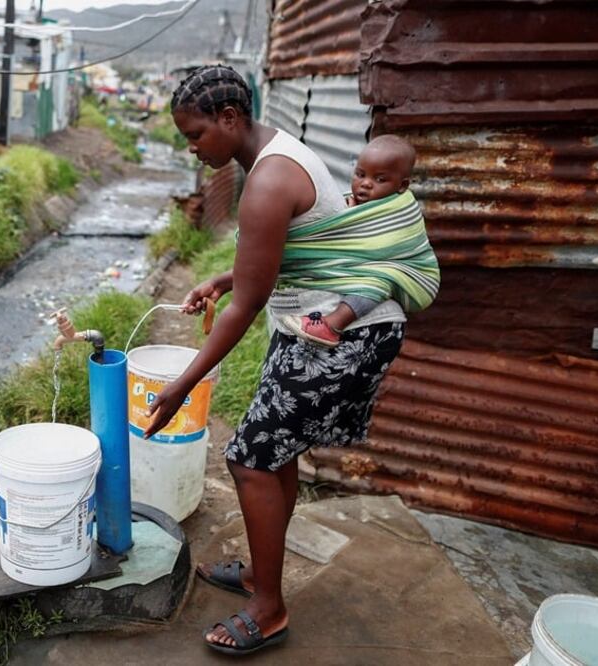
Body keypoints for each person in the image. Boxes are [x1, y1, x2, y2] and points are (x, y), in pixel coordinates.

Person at [143, 64, 408, 656]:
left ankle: (269, 610)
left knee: (251, 461)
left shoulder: (267, 180)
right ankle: (263, 578)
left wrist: (184, 384)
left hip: (343, 333)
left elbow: (249, 303)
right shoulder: (272, 158)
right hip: (315, 326)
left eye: (195, 135)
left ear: (230, 119)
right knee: (271, 452)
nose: (192, 149)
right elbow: (278, 254)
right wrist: (220, 277)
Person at [278, 135, 439, 347]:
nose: (365, 184)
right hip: (380, 267)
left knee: (376, 280)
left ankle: (332, 325)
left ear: (402, 185)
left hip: (413, 277)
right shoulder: (351, 203)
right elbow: (348, 241)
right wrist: (351, 217)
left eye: (379, 179)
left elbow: (385, 246)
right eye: (360, 174)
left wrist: (352, 224)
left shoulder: (401, 209)